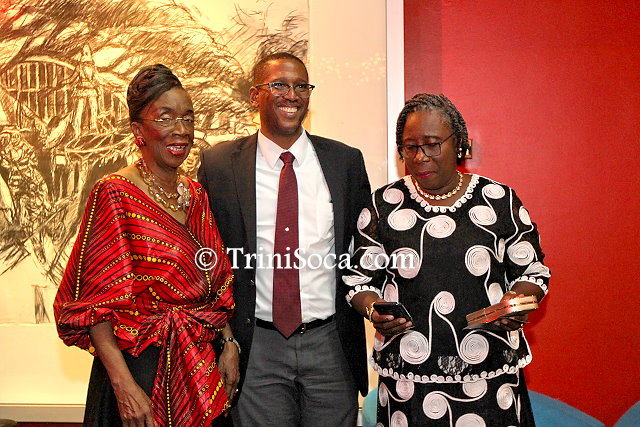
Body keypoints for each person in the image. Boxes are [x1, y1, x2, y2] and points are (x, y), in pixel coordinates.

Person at [347, 93, 550, 426]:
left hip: (487, 374)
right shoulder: (383, 206)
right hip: (408, 378)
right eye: (410, 147)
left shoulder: (498, 199)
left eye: (432, 144)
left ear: (459, 143)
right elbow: (358, 278)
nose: (420, 156)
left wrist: (516, 303)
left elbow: (532, 270)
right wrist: (373, 310)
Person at [54, 64, 239, 426]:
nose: (181, 130)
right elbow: (95, 307)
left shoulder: (196, 195)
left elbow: (213, 287)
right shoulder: (114, 193)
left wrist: (229, 343)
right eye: (165, 118)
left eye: (188, 118)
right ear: (138, 130)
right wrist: (124, 387)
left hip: (199, 365)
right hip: (139, 367)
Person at [198, 52, 371, 426]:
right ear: (254, 95)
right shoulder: (219, 165)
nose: (292, 95)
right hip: (256, 347)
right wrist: (225, 340)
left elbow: (365, 249)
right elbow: (205, 255)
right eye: (279, 85)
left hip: (331, 344)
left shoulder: (345, 162)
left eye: (301, 86)